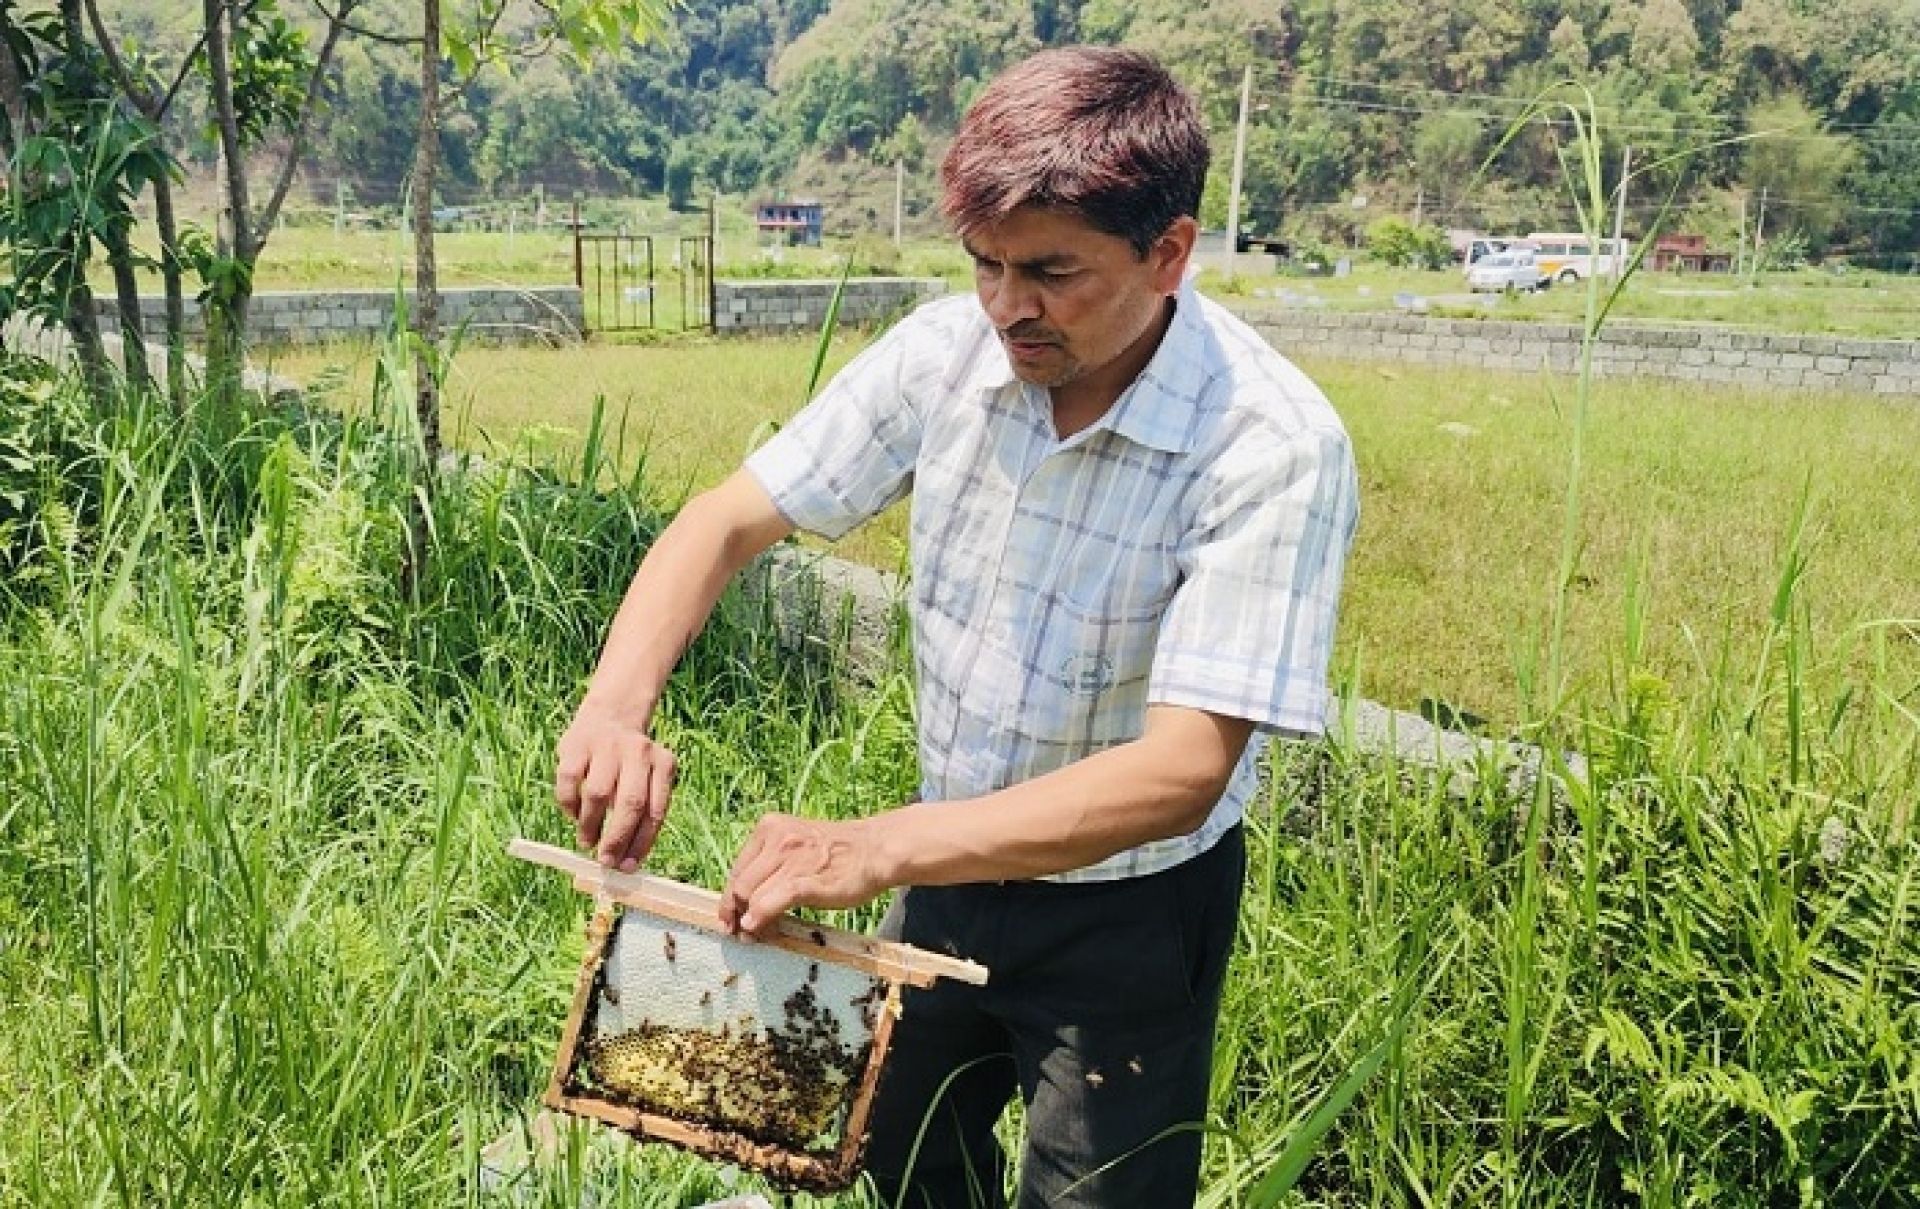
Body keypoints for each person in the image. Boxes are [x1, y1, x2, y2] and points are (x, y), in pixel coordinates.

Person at [553, 46, 1359, 1208]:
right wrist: (615, 707)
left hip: (1132, 905)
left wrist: (876, 848)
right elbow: (727, 521)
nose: (1007, 307)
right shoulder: (944, 355)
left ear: (1169, 253)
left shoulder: (1270, 444)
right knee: (896, 1153)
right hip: (945, 857)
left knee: (1101, 1190)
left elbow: (1184, 771)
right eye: (984, 265)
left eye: (1051, 272)